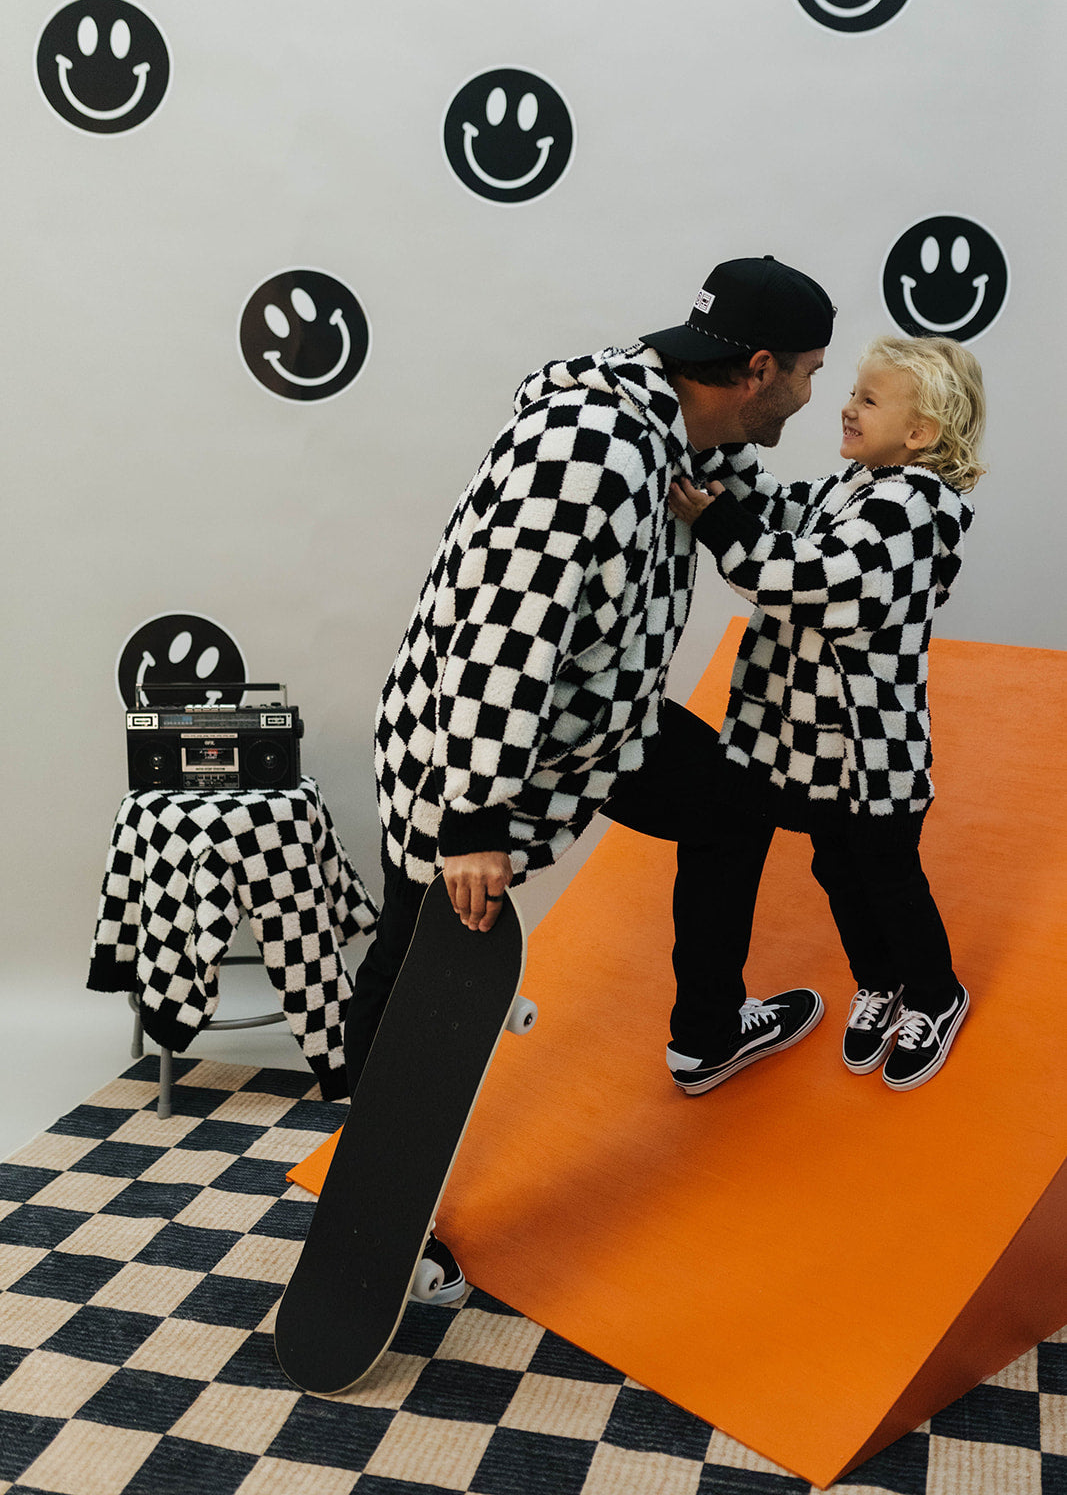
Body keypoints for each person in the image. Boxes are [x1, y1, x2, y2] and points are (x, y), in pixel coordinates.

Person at [350, 255, 835, 1298]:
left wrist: (904, 499)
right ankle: (377, 1220)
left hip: (595, 729)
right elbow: (500, 636)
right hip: (467, 745)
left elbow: (767, 523)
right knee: (417, 974)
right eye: (808, 373)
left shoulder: (690, 433)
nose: (810, 396)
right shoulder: (587, 449)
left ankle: (706, 1035)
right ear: (757, 368)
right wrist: (472, 820)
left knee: (731, 803)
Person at [668, 333, 986, 1095]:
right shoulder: (857, 485)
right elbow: (780, 508)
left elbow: (815, 580)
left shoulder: (913, 511)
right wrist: (724, 448)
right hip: (818, 751)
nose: (845, 407)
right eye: (851, 392)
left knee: (888, 877)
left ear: (918, 434)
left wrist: (717, 526)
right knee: (838, 868)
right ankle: (879, 981)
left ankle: (934, 994)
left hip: (874, 753)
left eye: (867, 400)